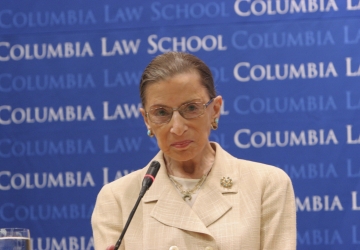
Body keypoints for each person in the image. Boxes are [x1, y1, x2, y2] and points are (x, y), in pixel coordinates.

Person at [91, 52, 296, 250]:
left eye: (191, 108)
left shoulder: (266, 185)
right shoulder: (117, 199)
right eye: (161, 113)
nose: (177, 128)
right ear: (146, 120)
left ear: (215, 109)